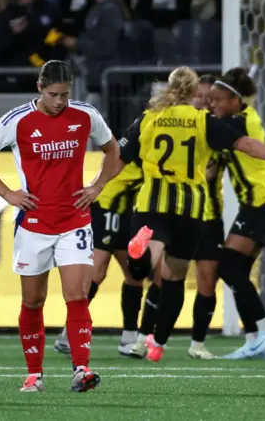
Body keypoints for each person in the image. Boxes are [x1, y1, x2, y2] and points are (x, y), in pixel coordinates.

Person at [119, 66, 265, 363]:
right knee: (204, 272)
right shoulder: (207, 123)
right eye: (205, 97)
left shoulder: (170, 118)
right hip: (202, 210)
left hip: (204, 205)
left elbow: (124, 157)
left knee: (203, 272)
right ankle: (252, 333)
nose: (211, 104)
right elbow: (233, 150)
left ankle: (240, 334)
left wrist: (95, 186)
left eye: (215, 99)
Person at [0, 60, 119, 392]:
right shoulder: (17, 121)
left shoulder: (86, 115)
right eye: (54, 95)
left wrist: (96, 186)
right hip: (34, 223)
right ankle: (34, 373)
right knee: (33, 301)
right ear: (40, 88)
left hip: (75, 220)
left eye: (65, 95)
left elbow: (113, 151)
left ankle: (81, 369)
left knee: (77, 294)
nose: (60, 102)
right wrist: (8, 193)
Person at [53, 110, 160, 359]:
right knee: (97, 270)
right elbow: (116, 156)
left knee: (134, 273)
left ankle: (129, 337)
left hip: (128, 212)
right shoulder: (146, 130)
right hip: (107, 204)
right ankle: (69, 333)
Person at [208, 67, 265, 359]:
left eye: (218, 100)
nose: (213, 106)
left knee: (228, 267)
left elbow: (242, 143)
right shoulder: (239, 119)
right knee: (236, 270)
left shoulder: (239, 121)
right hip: (258, 203)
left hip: (261, 203)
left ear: (233, 99)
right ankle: (254, 340)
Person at [189, 73, 222, 360]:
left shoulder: (219, 130)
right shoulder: (176, 125)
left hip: (208, 215)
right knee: (163, 280)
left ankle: (197, 343)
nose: (204, 102)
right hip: (175, 211)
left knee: (208, 281)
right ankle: (145, 338)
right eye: (200, 96)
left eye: (210, 97)